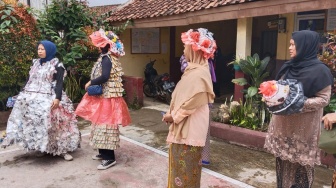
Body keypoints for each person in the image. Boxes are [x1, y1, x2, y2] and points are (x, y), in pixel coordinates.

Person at [264, 30, 333, 188]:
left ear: (305, 46)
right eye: (290, 44)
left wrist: (297, 102)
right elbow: (280, 89)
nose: (289, 48)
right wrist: (271, 95)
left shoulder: (321, 71)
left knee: (301, 175)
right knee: (282, 171)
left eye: (293, 45)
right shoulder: (289, 66)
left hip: (304, 130)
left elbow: (324, 99)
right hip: (283, 127)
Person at [1, 40, 80, 161]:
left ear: (49, 50)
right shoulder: (36, 64)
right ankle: (44, 147)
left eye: (42, 49)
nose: (40, 51)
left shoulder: (57, 65)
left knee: (55, 122)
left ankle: (62, 150)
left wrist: (57, 98)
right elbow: (29, 80)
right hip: (33, 95)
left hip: (50, 96)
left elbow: (59, 83)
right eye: (39, 49)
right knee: (34, 120)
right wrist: (21, 93)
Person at [163, 28, 216, 187]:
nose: (183, 50)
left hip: (190, 131)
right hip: (183, 128)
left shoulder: (199, 73)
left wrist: (174, 116)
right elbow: (182, 98)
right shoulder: (192, 70)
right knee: (180, 173)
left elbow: (193, 101)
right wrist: (171, 113)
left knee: (185, 176)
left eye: (185, 46)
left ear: (195, 49)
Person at [75, 29, 131, 170]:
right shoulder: (108, 57)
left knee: (105, 126)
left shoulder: (107, 58)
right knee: (99, 126)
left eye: (100, 43)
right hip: (105, 96)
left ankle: (109, 158)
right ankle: (102, 153)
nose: (98, 46)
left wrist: (90, 82)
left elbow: (105, 76)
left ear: (105, 45)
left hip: (107, 97)